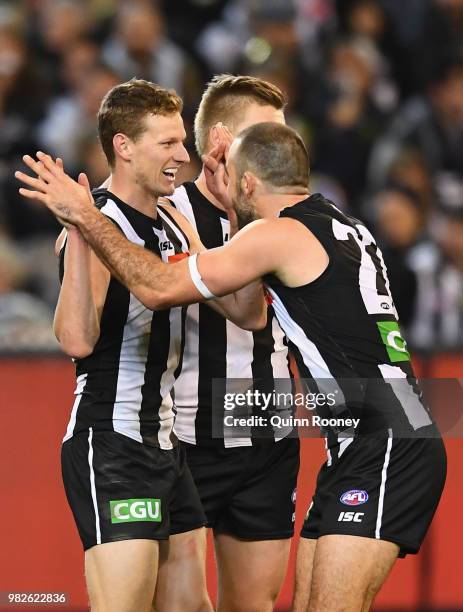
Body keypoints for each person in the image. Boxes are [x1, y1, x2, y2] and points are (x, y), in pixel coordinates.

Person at [18, 121, 447, 611]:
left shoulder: (279, 234)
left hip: (385, 440)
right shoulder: (342, 224)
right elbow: (247, 308)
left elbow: (158, 287)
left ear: (244, 184)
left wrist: (84, 215)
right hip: (366, 439)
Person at [17, 79, 265, 612]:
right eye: (168, 144)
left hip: (166, 445)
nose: (183, 156)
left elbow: (248, 313)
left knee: (189, 607)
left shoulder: (175, 223)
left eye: (182, 142)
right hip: (112, 441)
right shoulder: (96, 220)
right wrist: (82, 230)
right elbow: (77, 339)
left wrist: (229, 214)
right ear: (124, 147)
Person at [165, 74, 299, 612]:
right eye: (265, 136)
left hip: (267, 433)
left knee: (254, 604)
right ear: (220, 142)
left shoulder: (287, 215)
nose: (281, 152)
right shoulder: (167, 210)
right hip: (184, 436)